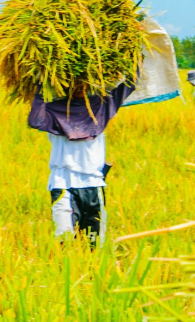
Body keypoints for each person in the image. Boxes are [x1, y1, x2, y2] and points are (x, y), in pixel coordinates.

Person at [28, 82, 133, 246]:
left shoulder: (100, 108)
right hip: (63, 184)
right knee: (64, 239)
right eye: (74, 82)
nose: (79, 86)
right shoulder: (53, 110)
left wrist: (137, 58)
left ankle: (91, 271)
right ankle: (63, 270)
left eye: (84, 82)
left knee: (95, 241)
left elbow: (129, 84)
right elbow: (35, 121)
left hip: (93, 183)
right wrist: (41, 85)